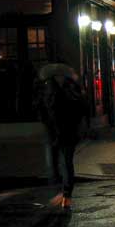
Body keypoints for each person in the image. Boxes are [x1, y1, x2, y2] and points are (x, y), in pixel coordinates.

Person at [34, 62, 89, 210]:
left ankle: (66, 194)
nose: (59, 78)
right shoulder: (48, 89)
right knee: (54, 164)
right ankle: (60, 192)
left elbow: (81, 109)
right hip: (54, 132)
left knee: (65, 163)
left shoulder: (70, 90)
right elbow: (42, 109)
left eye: (61, 76)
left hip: (66, 132)